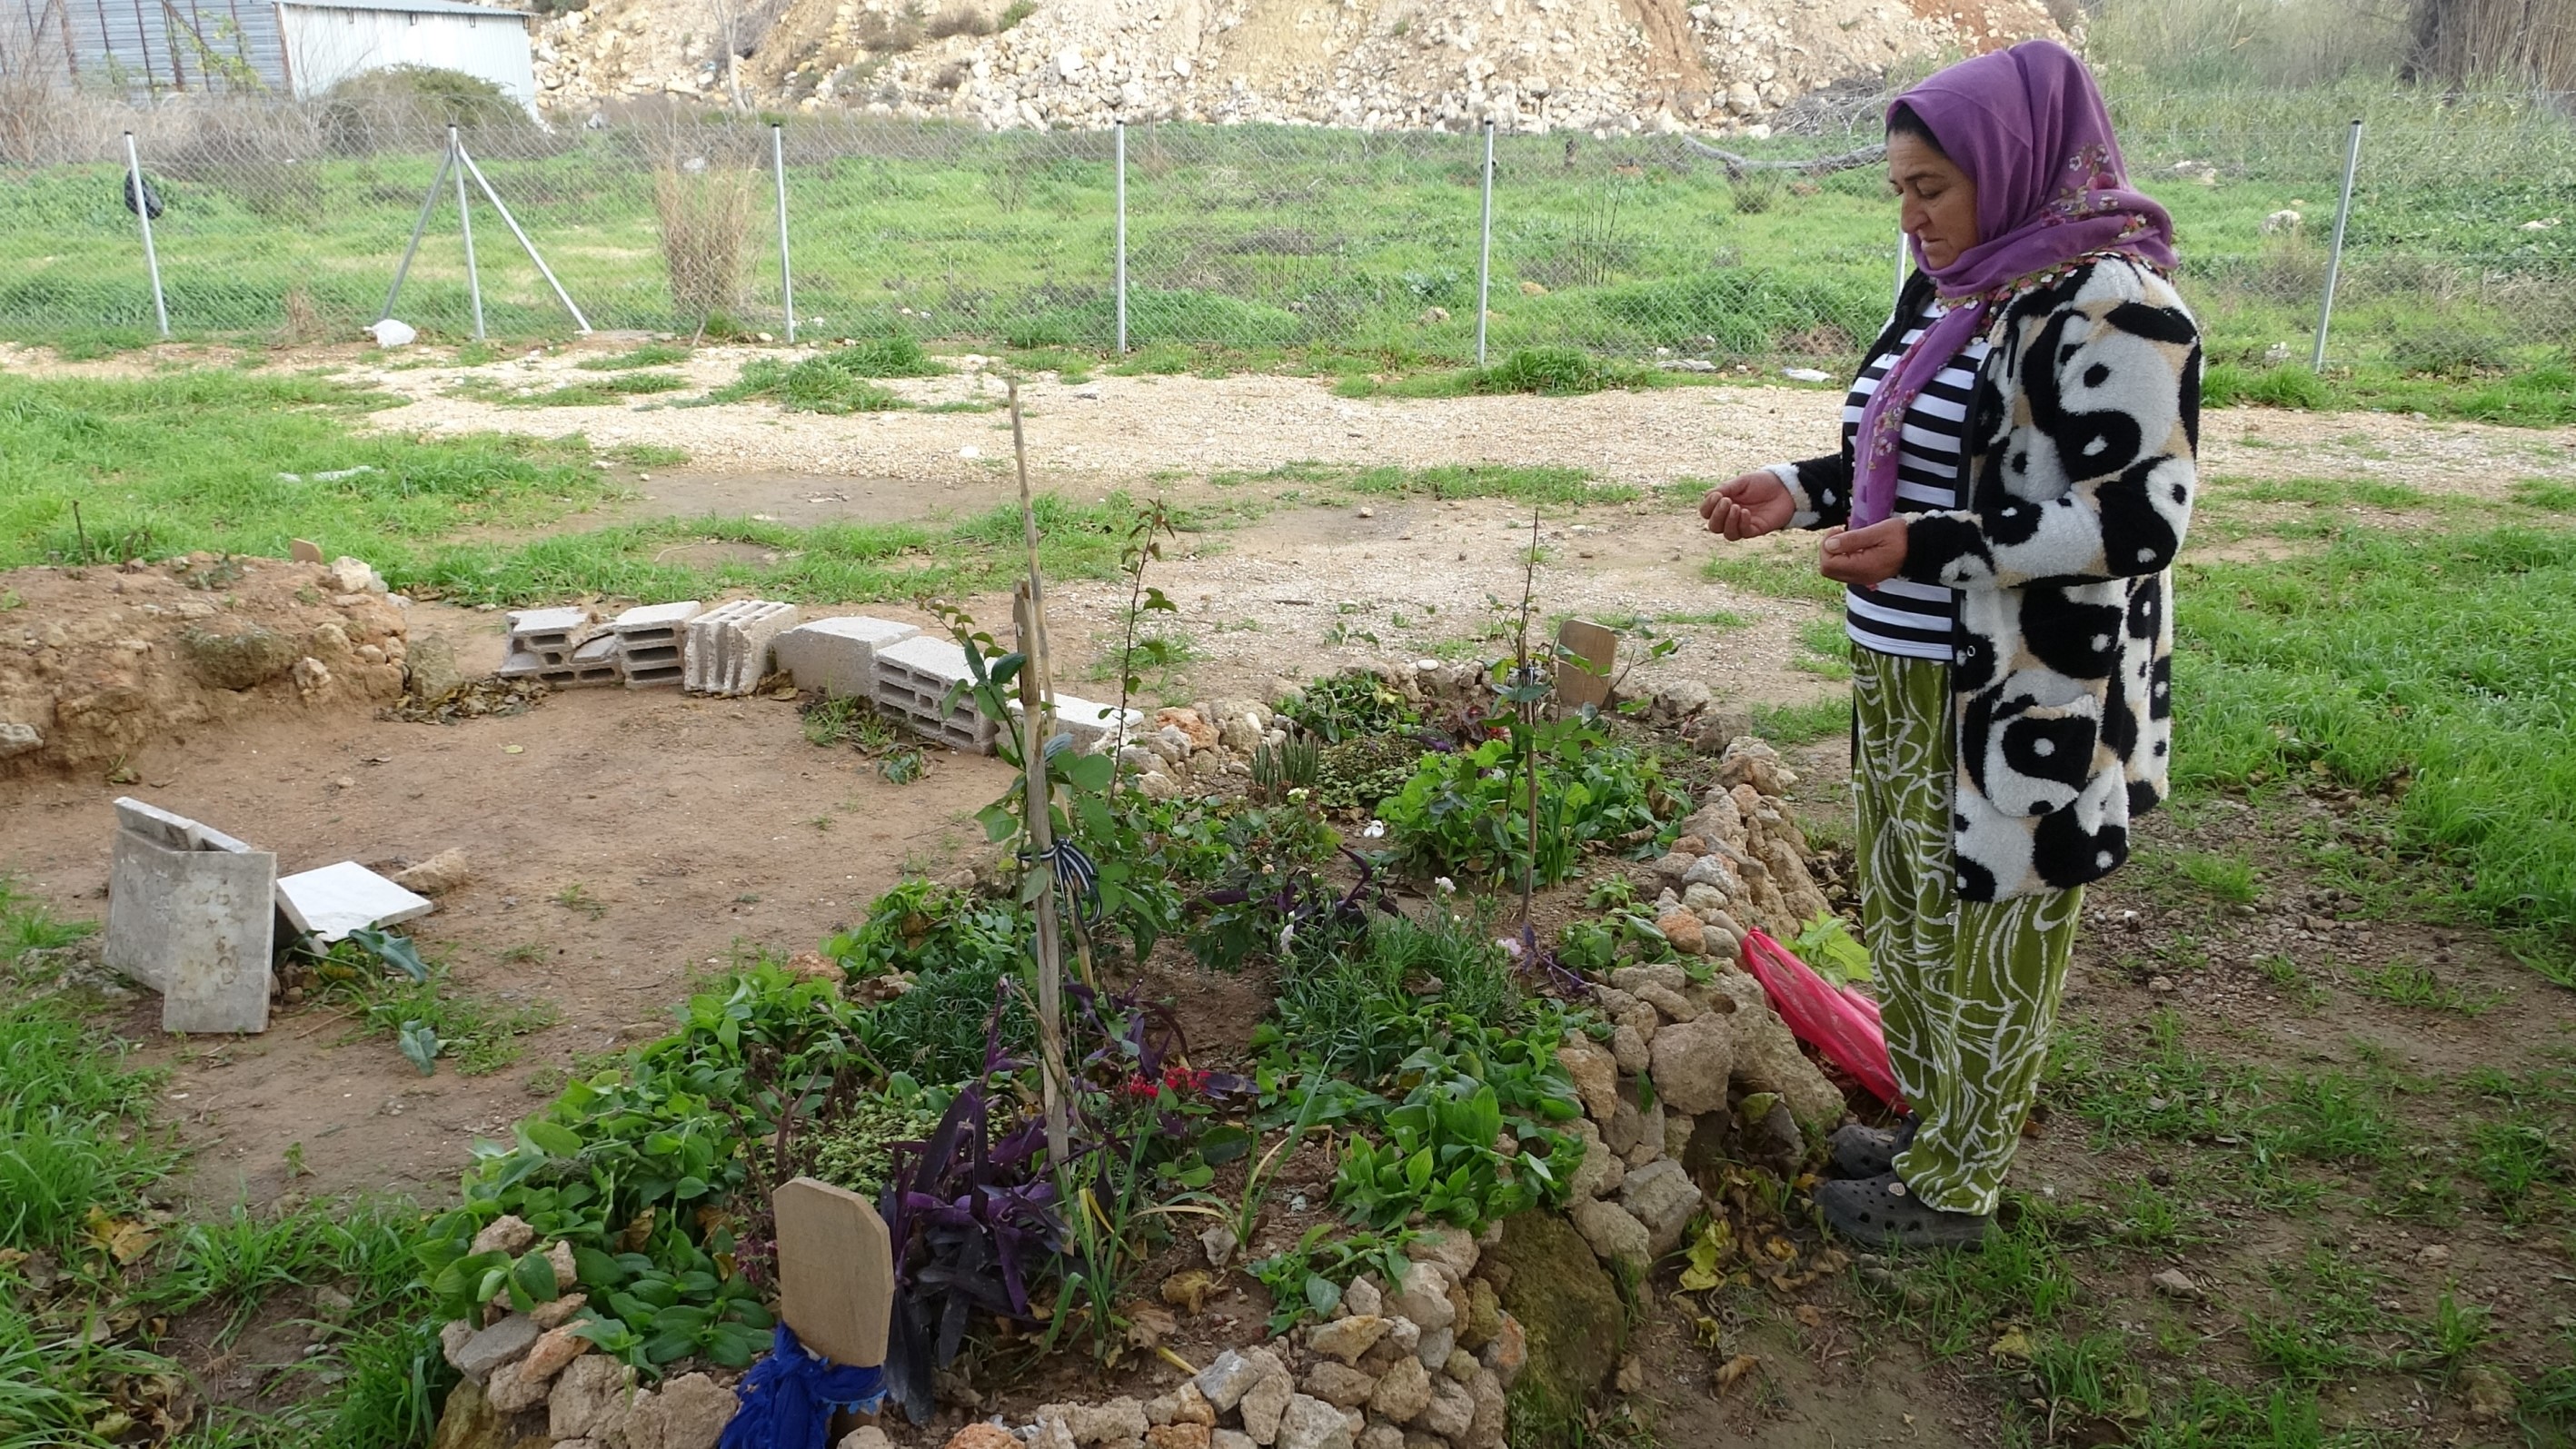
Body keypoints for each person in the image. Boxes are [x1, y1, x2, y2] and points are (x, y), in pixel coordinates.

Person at [1699, 39, 2202, 1250]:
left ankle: (1960, 1192)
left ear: (2012, 162)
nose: (1914, 216)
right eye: (1900, 192)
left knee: (1999, 937)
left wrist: (1934, 550)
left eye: (1933, 186)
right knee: (1916, 911)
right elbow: (1912, 450)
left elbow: (2140, 518)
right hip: (1903, 664)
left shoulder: (2117, 308)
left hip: (2029, 694)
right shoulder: (1962, 286)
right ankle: (1937, 1126)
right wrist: (1800, 488)